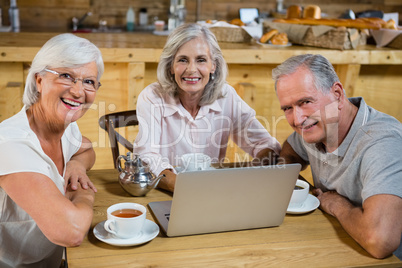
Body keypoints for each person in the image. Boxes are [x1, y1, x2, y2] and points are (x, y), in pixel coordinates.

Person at [273, 54, 402, 259]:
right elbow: (290, 150)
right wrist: (291, 182)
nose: (297, 119)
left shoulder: (382, 143)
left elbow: (380, 240)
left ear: (337, 94)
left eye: (305, 102)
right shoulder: (318, 126)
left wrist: (336, 205)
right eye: (288, 108)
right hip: (337, 247)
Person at [133, 23, 280, 192]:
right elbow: (146, 156)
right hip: (165, 193)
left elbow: (266, 145)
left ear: (213, 66)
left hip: (213, 192)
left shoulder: (226, 95)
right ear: (171, 66)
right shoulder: (152, 97)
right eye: (182, 60)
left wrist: (251, 173)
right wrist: (188, 188)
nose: (191, 70)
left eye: (201, 60)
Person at [0, 33, 104, 267]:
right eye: (66, 76)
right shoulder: (10, 143)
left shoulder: (65, 127)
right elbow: (72, 231)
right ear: (39, 80)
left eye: (89, 81)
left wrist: (77, 165)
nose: (78, 92)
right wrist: (83, 193)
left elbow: (86, 149)